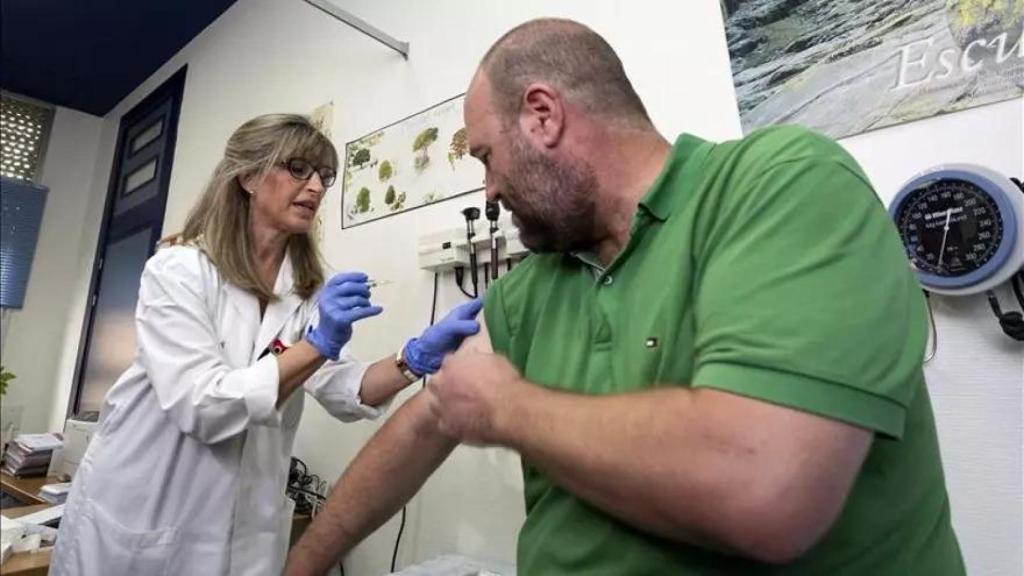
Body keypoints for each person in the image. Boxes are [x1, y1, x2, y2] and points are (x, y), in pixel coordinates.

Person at [286, 19, 966, 576]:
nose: (488, 191)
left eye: (488, 157)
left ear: (543, 116)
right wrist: (303, 564)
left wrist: (508, 408)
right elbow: (426, 421)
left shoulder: (776, 184)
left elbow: (764, 489)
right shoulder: (532, 284)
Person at [50, 114, 482, 576]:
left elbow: (346, 389)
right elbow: (203, 404)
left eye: (324, 176)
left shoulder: (309, 288)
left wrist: (414, 358)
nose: (316, 187)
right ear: (250, 177)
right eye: (299, 169)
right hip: (143, 514)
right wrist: (317, 344)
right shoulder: (178, 272)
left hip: (243, 531)